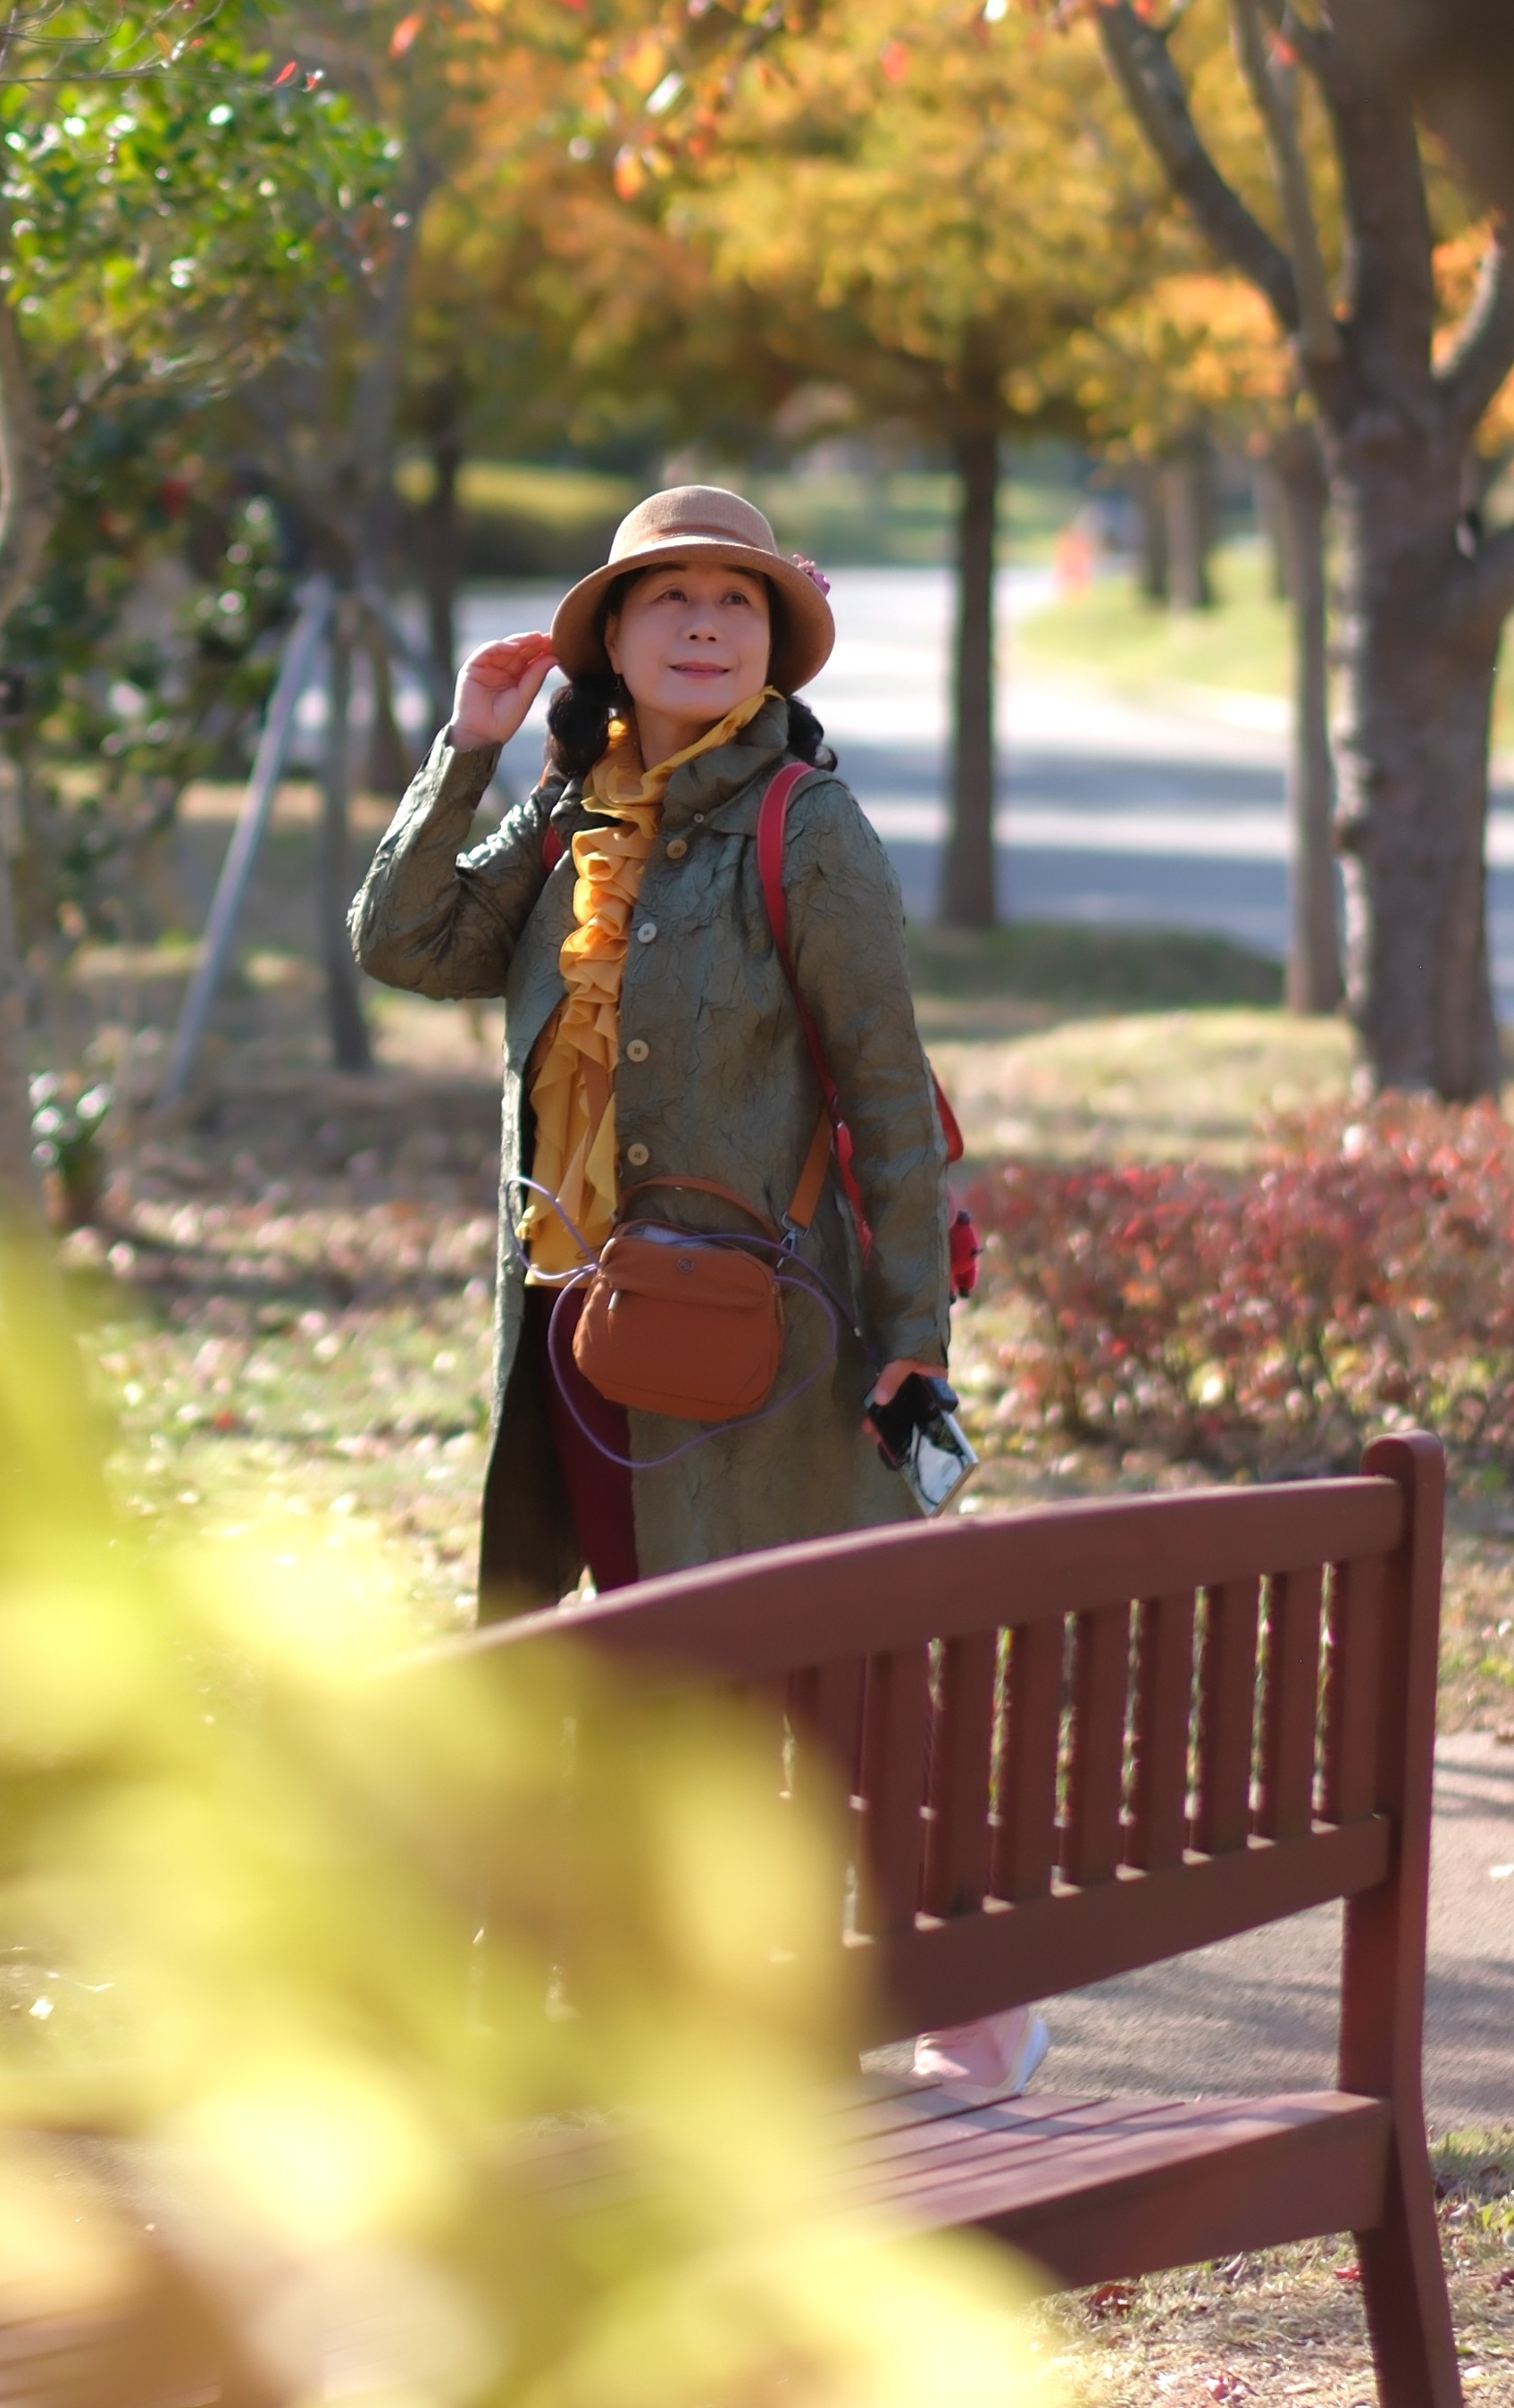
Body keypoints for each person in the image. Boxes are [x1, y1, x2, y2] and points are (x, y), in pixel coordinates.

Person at [347, 479, 1045, 2101]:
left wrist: (912, 1340)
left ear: (775, 645)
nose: (707, 626)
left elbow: (888, 1095)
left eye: (738, 602)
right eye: (671, 598)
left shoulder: (809, 826)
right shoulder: (566, 813)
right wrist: (466, 749)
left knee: (814, 1680)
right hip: (580, 1323)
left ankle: (966, 2003)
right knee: (635, 1661)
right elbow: (405, 941)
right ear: (611, 636)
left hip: (766, 1342)